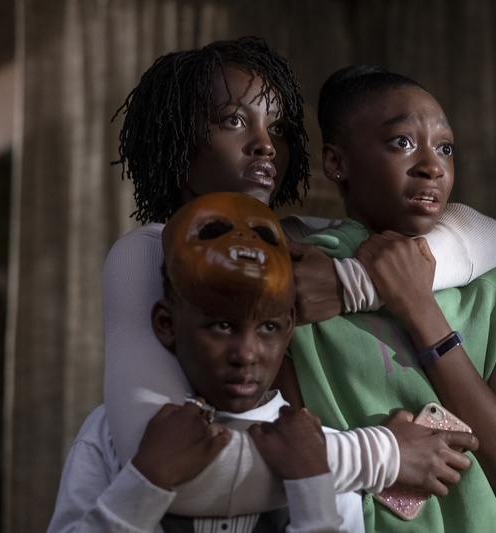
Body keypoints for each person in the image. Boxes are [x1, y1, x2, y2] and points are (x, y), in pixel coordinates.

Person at [103, 37, 496, 516]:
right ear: (175, 139)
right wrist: (384, 454)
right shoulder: (146, 252)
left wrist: (351, 284)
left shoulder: (300, 242)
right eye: (234, 120)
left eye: (277, 128)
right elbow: (167, 473)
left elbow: (487, 234)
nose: (265, 144)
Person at [50, 192, 428, 531]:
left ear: (289, 327)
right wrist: (145, 478)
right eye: (222, 325)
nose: (246, 354)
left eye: (268, 327)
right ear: (167, 324)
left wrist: (311, 483)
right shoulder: (112, 435)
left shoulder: (317, 448)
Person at [279, 66, 496, 532]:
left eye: (445, 147)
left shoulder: (495, 291)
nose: (432, 166)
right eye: (402, 142)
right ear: (336, 162)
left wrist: (420, 308)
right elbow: (286, 456)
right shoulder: (302, 280)